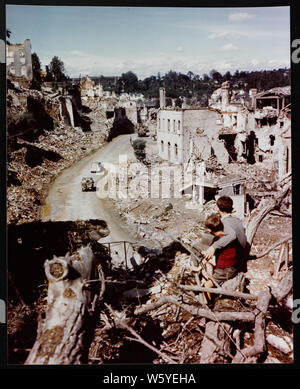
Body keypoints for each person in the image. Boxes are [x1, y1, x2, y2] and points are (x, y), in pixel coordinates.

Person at [202, 195, 249, 272]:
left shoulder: (225, 223)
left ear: (218, 208)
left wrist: (214, 247)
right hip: (241, 251)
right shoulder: (236, 220)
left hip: (235, 258)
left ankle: (200, 266)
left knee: (203, 242)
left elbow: (232, 235)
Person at [203, 213, 239, 286]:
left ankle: (208, 288)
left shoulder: (218, 240)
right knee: (207, 264)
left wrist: (206, 254)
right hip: (232, 265)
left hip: (226, 270)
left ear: (210, 230)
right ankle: (210, 280)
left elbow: (212, 257)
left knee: (206, 285)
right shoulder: (226, 237)